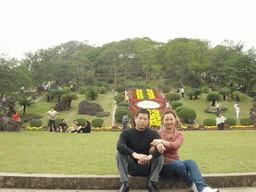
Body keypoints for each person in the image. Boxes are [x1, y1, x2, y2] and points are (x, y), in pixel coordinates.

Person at [151, 110, 220, 192]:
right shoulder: (157, 134)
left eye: (171, 119)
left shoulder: (180, 135)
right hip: (164, 167)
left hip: (178, 165)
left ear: (175, 120)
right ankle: (192, 185)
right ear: (162, 121)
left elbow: (175, 145)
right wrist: (157, 145)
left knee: (190, 162)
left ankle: (202, 188)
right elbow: (150, 149)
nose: (169, 122)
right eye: (166, 120)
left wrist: (161, 141)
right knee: (179, 164)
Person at [116, 108, 164, 192]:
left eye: (145, 119)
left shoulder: (153, 134)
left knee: (160, 154)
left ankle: (152, 183)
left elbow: (160, 149)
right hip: (132, 166)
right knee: (119, 154)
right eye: (140, 118)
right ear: (135, 119)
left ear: (148, 121)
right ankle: (125, 183)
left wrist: (149, 157)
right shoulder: (126, 133)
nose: (142, 121)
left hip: (147, 166)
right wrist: (134, 154)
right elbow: (119, 146)